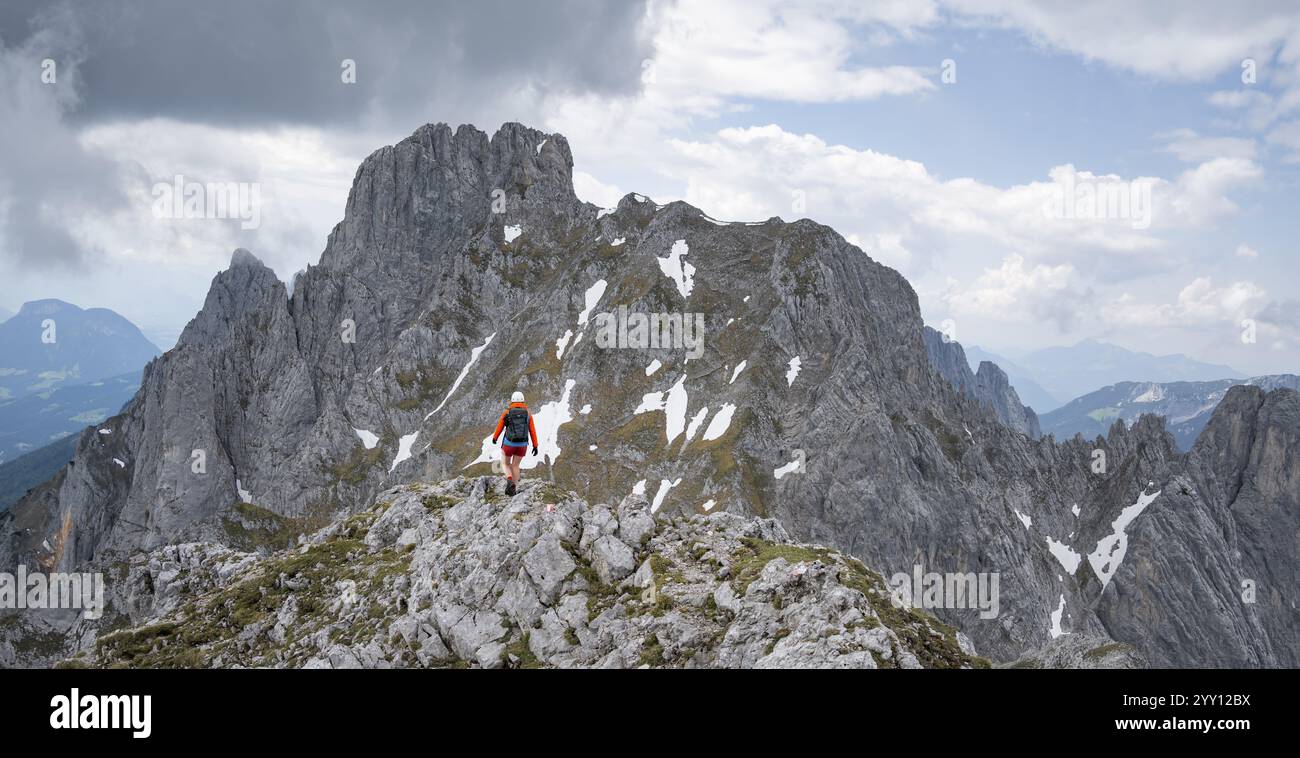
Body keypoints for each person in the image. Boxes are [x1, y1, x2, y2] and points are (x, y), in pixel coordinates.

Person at [491, 390, 538, 497]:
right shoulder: (528, 413)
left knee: (505, 464)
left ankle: (509, 480)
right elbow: (532, 430)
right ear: (523, 400)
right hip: (522, 445)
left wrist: (495, 438)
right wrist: (535, 445)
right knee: (515, 465)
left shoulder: (507, 412)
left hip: (509, 444)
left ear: (512, 400)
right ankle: (514, 489)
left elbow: (500, 426)